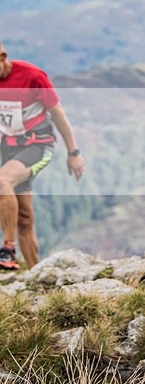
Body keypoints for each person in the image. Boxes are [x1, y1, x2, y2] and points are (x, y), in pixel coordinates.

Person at [0, 42, 85, 270]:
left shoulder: (32, 76)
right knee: (24, 218)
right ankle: (35, 274)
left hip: (38, 144)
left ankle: (7, 249)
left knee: (2, 181)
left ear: (3, 57)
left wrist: (73, 152)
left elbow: (57, 113)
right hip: (7, 146)